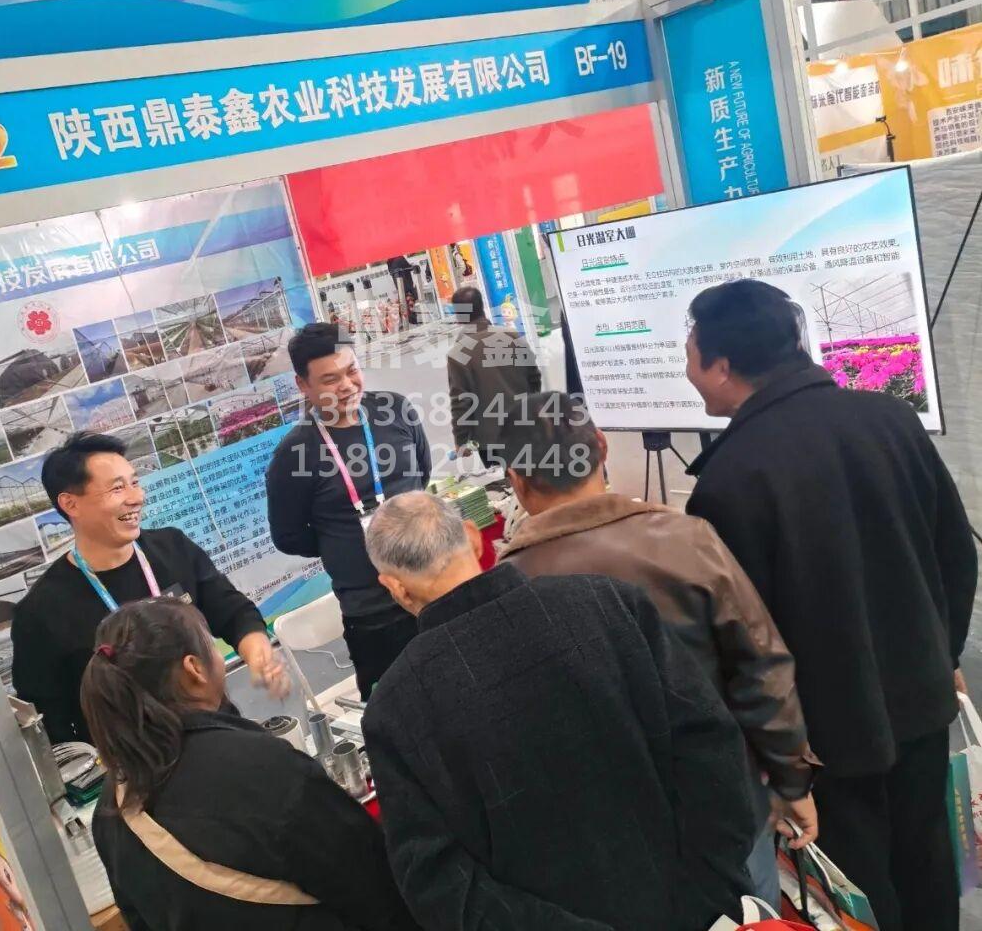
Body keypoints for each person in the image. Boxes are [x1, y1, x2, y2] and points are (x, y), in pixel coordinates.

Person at [683, 279, 978, 931]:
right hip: (921, 696)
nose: (688, 371)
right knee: (928, 863)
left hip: (825, 735)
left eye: (691, 354)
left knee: (856, 890)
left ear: (722, 366)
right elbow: (956, 554)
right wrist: (943, 653)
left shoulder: (729, 480)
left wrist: (782, 766)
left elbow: (745, 648)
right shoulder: (890, 418)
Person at [362, 492, 755, 931]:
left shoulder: (393, 708)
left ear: (394, 587)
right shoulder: (607, 602)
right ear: (474, 538)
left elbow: (438, 882)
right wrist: (709, 889)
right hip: (699, 910)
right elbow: (711, 743)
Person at [496, 391, 818, 907]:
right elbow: (761, 668)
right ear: (601, 447)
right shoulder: (686, 539)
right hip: (724, 804)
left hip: (606, 839)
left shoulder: (506, 587)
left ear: (515, 479)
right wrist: (792, 779)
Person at [83, 598, 415, 931]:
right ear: (194, 668)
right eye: (210, 642)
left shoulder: (112, 808)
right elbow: (372, 882)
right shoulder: (265, 770)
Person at [11, 432, 287, 744]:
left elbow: (233, 612)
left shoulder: (173, 548)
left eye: (135, 482)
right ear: (70, 503)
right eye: (117, 488)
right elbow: (51, 721)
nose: (136, 497)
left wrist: (258, 652)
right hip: (134, 759)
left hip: (217, 731)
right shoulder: (40, 612)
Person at [267, 323, 431, 700]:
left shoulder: (395, 410)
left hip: (432, 587)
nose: (347, 386)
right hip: (373, 612)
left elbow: (421, 475)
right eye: (330, 379)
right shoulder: (295, 454)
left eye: (352, 370)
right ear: (303, 385)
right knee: (398, 710)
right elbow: (289, 536)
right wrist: (343, 542)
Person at [447, 285, 542, 467]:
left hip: (491, 440)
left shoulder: (458, 353)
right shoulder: (511, 336)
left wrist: (461, 441)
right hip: (527, 426)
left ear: (459, 316)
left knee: (507, 479)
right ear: (482, 307)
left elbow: (461, 401)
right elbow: (534, 377)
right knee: (535, 475)